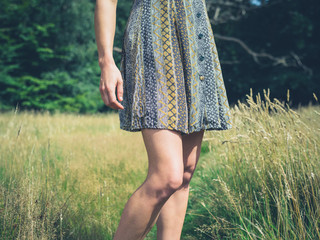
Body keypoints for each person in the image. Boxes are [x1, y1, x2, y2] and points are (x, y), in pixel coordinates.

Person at [94, 0, 232, 238]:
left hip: (194, 38)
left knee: (185, 173)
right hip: (153, 39)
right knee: (167, 176)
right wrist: (106, 61)